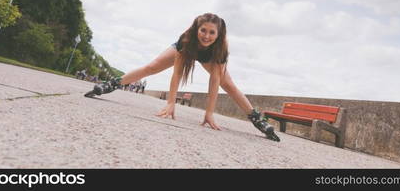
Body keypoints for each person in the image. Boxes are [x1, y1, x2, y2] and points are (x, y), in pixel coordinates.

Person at [85, 13, 279, 141]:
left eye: (212, 32)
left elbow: (215, 82)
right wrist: (171, 103)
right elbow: (177, 73)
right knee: (152, 67)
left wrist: (209, 113)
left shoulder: (220, 49)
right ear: (197, 30)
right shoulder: (187, 39)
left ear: (218, 35)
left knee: (229, 85)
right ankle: (112, 84)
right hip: (189, 50)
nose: (206, 36)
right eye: (203, 30)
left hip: (209, 58)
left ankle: (256, 119)